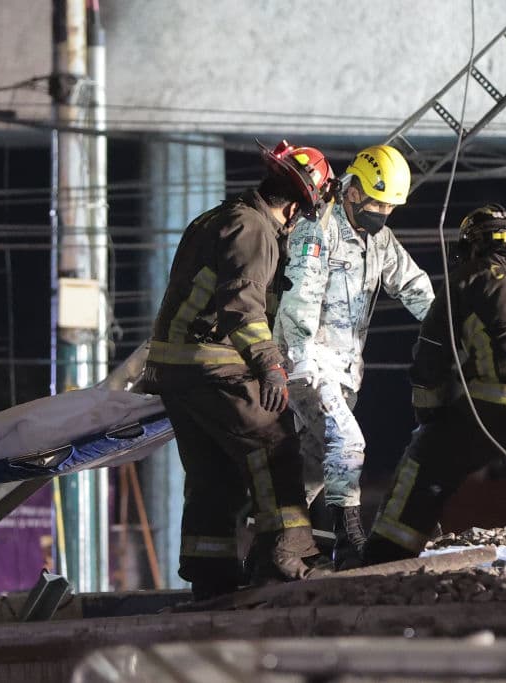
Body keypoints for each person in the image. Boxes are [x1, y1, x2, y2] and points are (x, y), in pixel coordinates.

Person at [142, 140, 337, 600]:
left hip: (178, 371)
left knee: (214, 475)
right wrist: (270, 366)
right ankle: (289, 556)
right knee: (273, 446)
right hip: (215, 368)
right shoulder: (252, 229)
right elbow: (242, 306)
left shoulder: (217, 217)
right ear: (292, 209)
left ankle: (211, 574)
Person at [361, 204, 506, 579]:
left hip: (499, 402)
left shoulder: (469, 277)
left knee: (425, 467)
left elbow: (430, 359)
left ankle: (383, 562)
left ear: (474, 243)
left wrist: (432, 420)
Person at [275, 144, 434, 569]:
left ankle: (273, 551)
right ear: (354, 189)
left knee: (310, 467)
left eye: (390, 205)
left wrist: (448, 327)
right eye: (378, 200)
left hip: (346, 372)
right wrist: (301, 370)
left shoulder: (379, 239)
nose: (383, 211)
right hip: (305, 364)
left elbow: (414, 285)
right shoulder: (317, 228)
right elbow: (298, 307)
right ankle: (349, 541)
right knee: (348, 442)